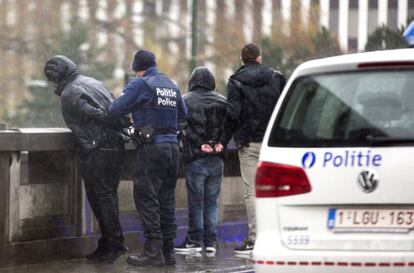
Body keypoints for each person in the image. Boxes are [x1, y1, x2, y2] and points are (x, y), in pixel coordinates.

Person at [43, 55, 130, 263]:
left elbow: (99, 114)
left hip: (97, 149)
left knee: (101, 197)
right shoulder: (93, 82)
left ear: (56, 77)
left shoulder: (70, 92)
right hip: (114, 146)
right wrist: (122, 124)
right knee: (108, 197)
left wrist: (116, 122)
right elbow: (113, 107)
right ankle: (108, 242)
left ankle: (115, 243)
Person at [108, 49, 188, 266]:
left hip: (153, 148)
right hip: (173, 148)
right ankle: (168, 251)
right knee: (166, 198)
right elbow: (184, 115)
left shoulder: (141, 84)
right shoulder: (171, 85)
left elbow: (115, 109)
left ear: (137, 69)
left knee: (145, 196)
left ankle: (153, 250)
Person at [226, 43, 285, 254]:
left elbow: (232, 114)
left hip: (249, 142)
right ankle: (279, 236)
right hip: (274, 143)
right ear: (259, 58)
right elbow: (284, 108)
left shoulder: (235, 81)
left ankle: (255, 239)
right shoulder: (277, 77)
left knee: (252, 191)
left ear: (243, 60)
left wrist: (222, 139)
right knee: (278, 190)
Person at [174, 67, 228, 254]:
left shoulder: (185, 100)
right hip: (217, 158)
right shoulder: (223, 101)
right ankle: (211, 242)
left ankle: (195, 241)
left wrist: (199, 145)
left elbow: (182, 127)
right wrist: (221, 142)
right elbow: (229, 125)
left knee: (196, 201)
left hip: (196, 158)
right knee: (212, 201)